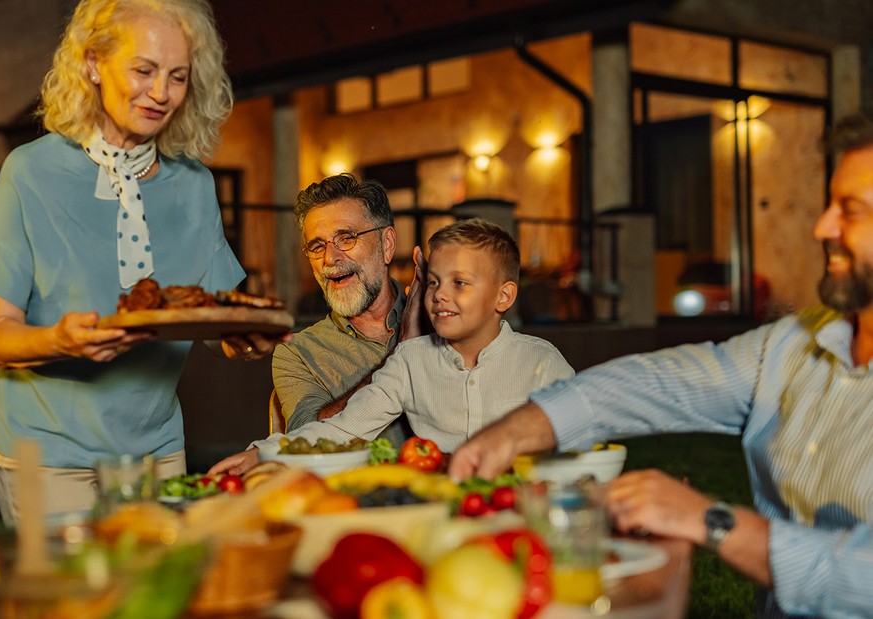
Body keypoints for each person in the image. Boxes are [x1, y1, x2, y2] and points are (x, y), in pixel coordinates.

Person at [450, 115, 873, 619]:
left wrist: (711, 521)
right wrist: (524, 427)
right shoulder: (796, 342)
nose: (821, 227)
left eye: (851, 211)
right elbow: (665, 382)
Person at [0, 0, 281, 524]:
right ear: (93, 63)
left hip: (156, 447)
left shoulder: (195, 185)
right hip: (45, 448)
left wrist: (242, 338)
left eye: (177, 76)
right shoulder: (28, 172)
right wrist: (58, 340)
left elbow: (210, 318)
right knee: (76, 603)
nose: (161, 93)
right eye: (144, 70)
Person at [211, 218, 574, 474]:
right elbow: (343, 429)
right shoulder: (411, 361)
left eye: (459, 283)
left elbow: (577, 442)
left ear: (503, 296)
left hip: (525, 505)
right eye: (432, 282)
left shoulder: (541, 361)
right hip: (436, 508)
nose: (440, 294)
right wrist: (265, 452)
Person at [271, 173, 425, 446]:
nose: (330, 258)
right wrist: (405, 350)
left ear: (386, 244)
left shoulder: (443, 321)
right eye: (317, 246)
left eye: (347, 238)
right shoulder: (297, 353)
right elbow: (307, 444)